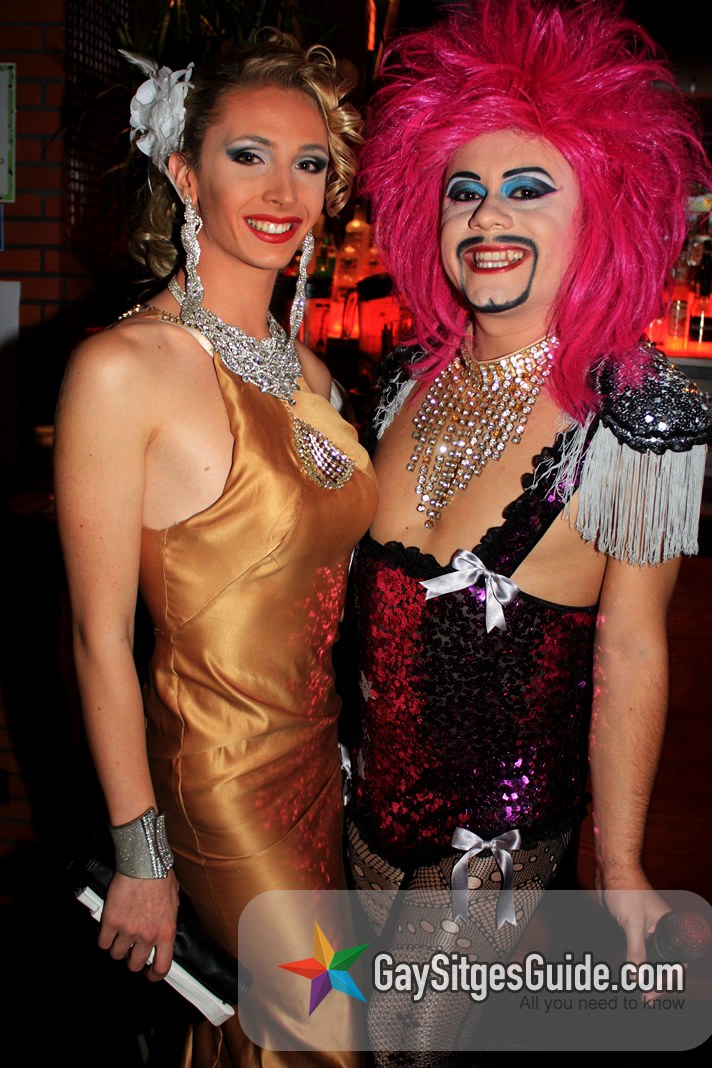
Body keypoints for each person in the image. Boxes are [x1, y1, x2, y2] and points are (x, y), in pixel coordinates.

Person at [339, 0, 712, 1058]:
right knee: (347, 1029)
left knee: (408, 1042)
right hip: (356, 814)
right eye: (463, 191)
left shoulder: (636, 418)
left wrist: (621, 862)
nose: (487, 217)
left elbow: (632, 650)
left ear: (599, 214)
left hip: (494, 841)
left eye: (528, 189)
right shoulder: (399, 384)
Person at [54, 32, 377, 1067]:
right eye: (248, 156)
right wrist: (140, 854)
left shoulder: (313, 379)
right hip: (219, 785)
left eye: (309, 162)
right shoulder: (124, 369)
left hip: (318, 769)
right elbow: (98, 638)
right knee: (326, 1033)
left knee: (258, 1031)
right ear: (186, 174)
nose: (283, 190)